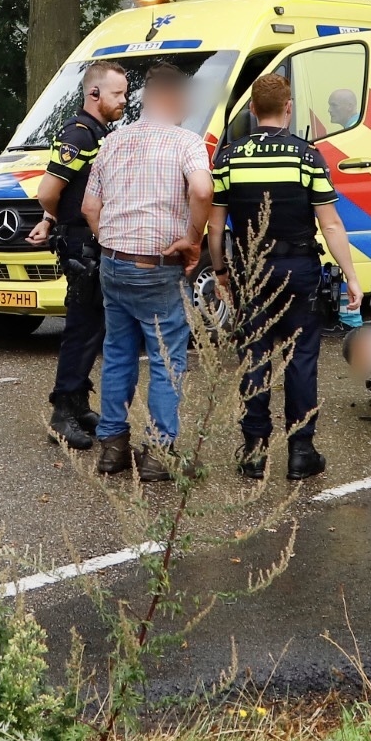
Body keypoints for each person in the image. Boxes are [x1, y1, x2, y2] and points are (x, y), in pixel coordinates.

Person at [208, 71, 361, 481]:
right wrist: (352, 277)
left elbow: (216, 224)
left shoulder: (229, 157)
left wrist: (221, 271)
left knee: (254, 357)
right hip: (299, 270)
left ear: (254, 110)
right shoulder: (306, 156)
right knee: (300, 359)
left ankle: (255, 451)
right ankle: (300, 451)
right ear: (288, 109)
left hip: (250, 271)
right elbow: (330, 225)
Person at [80, 63, 212, 477]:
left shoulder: (112, 142)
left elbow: (88, 207)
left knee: (118, 354)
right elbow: (203, 190)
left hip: (113, 264)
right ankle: (158, 452)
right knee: (165, 359)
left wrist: (110, 244)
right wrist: (193, 237)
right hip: (158, 267)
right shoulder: (187, 143)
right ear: (172, 97)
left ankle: (112, 448)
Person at [25, 61, 127, 448]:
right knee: (81, 329)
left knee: (93, 329)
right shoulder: (79, 134)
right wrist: (52, 217)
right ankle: (62, 412)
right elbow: (48, 191)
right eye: (117, 94)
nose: (123, 100)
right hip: (82, 245)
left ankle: (80, 402)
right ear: (94, 94)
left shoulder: (100, 132)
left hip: (93, 242)